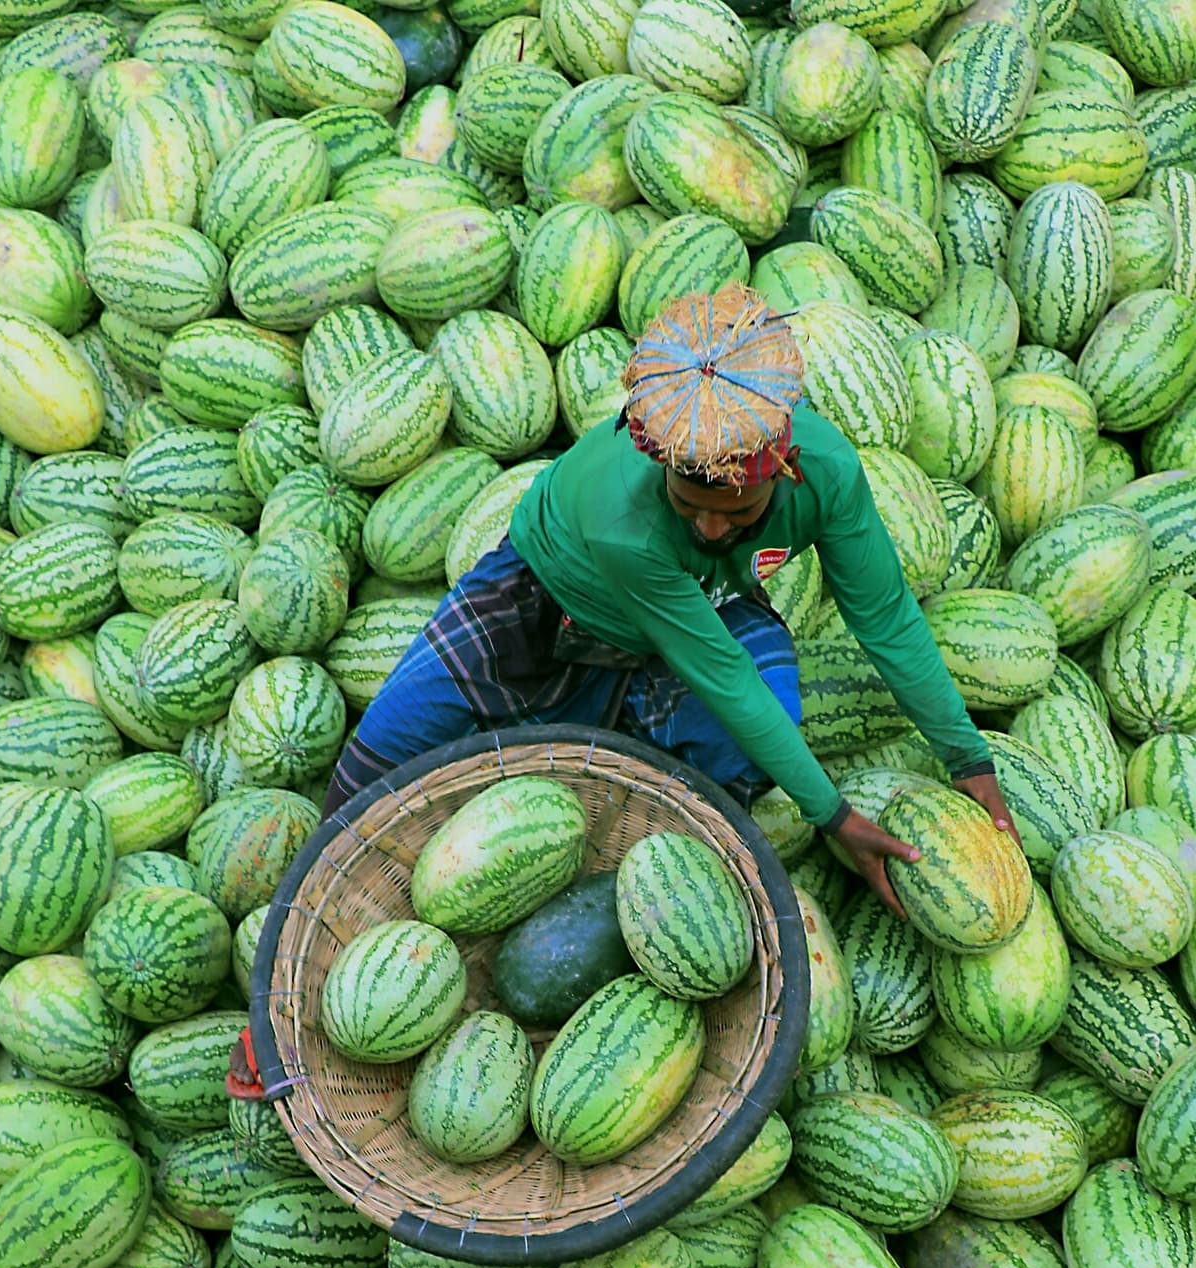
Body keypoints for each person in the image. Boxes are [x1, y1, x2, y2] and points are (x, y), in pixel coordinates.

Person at [229, 282, 1016, 1096]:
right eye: (692, 508)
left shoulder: (829, 475)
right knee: (382, 754)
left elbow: (885, 618)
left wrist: (966, 758)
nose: (712, 529)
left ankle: (631, 866)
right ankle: (282, 999)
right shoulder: (624, 516)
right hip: (545, 600)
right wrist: (836, 817)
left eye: (737, 513)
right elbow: (720, 672)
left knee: (750, 731)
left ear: (780, 468)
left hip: (696, 613)